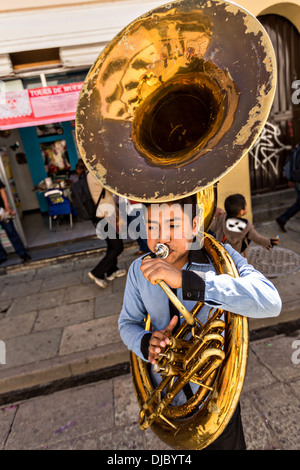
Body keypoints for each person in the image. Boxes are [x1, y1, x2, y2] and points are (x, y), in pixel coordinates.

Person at [118, 194, 281, 450]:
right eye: (151, 227)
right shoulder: (138, 271)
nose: (161, 238)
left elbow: (271, 302)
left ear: (194, 227)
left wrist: (188, 281)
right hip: (169, 396)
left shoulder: (221, 258)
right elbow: (127, 323)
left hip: (215, 398)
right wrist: (145, 341)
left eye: (172, 225)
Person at [86, 172, 126, 288]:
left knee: (112, 245)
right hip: (105, 216)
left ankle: (111, 270)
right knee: (118, 247)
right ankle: (97, 272)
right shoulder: (96, 174)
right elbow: (115, 187)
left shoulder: (90, 174)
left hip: (102, 215)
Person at [210, 193, 279, 257]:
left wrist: (216, 217)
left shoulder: (222, 217)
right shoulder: (245, 225)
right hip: (235, 253)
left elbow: (212, 228)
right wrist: (270, 242)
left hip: (221, 249)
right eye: (246, 205)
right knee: (249, 236)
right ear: (241, 211)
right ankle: (243, 253)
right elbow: (258, 239)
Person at [0, 178, 31, 264]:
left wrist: (6, 205)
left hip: (3, 210)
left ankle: (22, 253)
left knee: (11, 231)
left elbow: (2, 190)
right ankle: (1, 256)